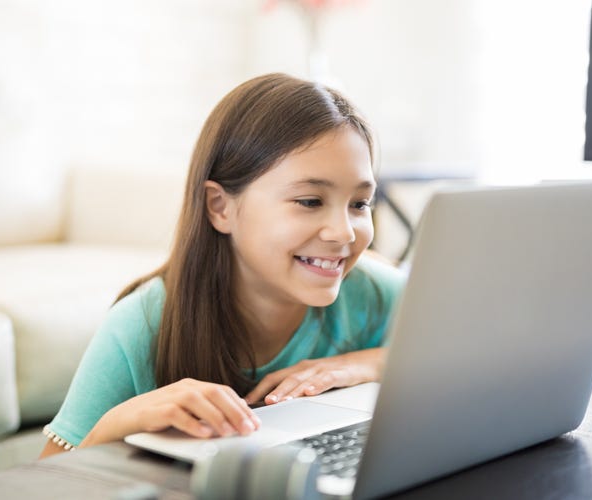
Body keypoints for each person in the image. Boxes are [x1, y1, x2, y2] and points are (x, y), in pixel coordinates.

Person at [40, 73, 407, 458]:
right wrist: (121, 421)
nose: (343, 233)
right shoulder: (143, 324)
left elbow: (471, 358)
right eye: (310, 201)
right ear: (220, 207)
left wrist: (366, 364)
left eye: (359, 204)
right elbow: (48, 480)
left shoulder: (377, 293)